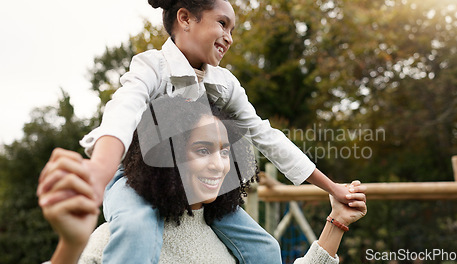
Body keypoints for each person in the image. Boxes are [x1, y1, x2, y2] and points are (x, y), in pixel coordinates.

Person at [38, 0, 354, 263]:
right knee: (135, 227)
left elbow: (264, 135)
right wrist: (97, 172)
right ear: (186, 18)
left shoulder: (224, 83)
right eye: (222, 23)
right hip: (135, 180)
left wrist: (331, 188)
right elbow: (122, 113)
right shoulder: (152, 67)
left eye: (233, 30)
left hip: (194, 188)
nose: (229, 37)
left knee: (265, 247)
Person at [39, 97, 367, 264]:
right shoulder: (116, 240)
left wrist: (336, 222)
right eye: (202, 150)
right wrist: (69, 247)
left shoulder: (231, 241)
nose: (219, 165)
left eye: (225, 151)